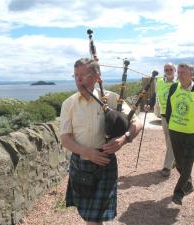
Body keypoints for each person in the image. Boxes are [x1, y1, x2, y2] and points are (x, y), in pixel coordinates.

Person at [60, 58, 142, 224]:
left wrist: (123, 139)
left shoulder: (111, 99)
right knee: (90, 217)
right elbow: (65, 139)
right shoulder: (69, 104)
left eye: (83, 74)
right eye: (75, 75)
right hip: (81, 163)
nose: (78, 79)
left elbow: (137, 123)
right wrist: (87, 152)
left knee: (95, 218)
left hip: (105, 163)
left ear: (97, 76)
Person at [166, 63, 194, 205]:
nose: (179, 75)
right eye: (178, 72)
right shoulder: (174, 87)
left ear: (191, 73)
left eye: (183, 72)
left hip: (191, 134)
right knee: (179, 163)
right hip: (175, 132)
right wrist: (170, 124)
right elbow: (169, 108)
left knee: (188, 163)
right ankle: (189, 184)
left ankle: (178, 193)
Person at [156, 63, 177, 177]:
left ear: (174, 70)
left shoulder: (179, 84)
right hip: (164, 116)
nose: (168, 71)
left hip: (175, 117)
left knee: (171, 141)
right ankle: (175, 160)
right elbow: (157, 96)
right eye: (166, 69)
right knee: (168, 140)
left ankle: (167, 167)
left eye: (170, 69)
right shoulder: (159, 83)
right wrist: (150, 105)